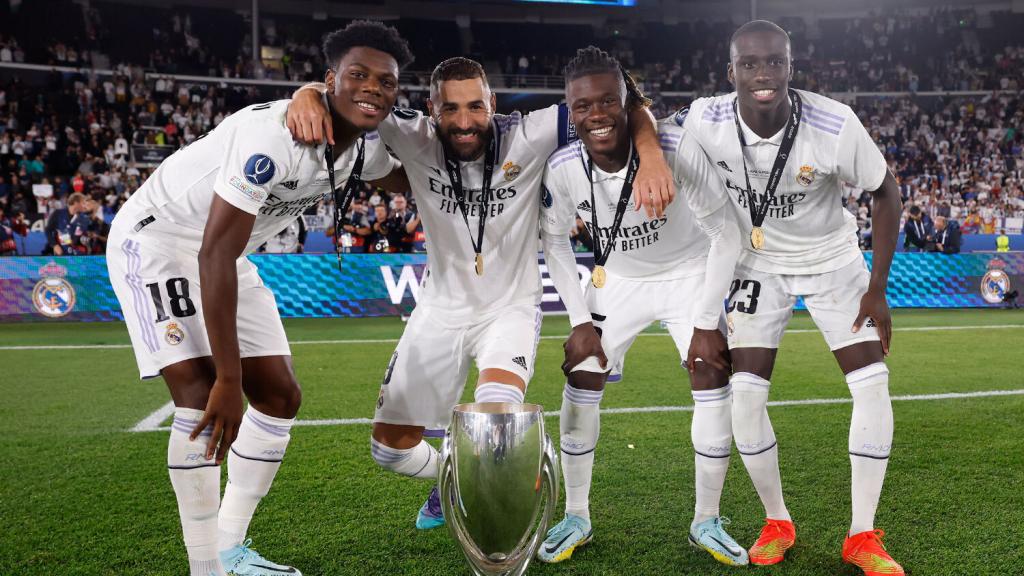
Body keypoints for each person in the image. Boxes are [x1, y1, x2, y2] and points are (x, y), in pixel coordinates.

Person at [286, 55, 676, 532]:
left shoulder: (530, 134)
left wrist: (651, 152)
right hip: (438, 310)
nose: (465, 121)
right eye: (451, 109)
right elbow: (350, 101)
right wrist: (307, 92)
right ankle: (454, 477)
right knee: (389, 450)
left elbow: (619, 107)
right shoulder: (409, 133)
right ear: (432, 109)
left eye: (476, 106)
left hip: (508, 309)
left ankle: (501, 476)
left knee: (496, 431)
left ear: (493, 102)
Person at [104, 21, 413, 576]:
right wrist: (228, 378)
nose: (372, 88)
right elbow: (212, 255)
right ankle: (206, 569)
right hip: (158, 241)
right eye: (357, 76)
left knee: (278, 394)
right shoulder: (274, 136)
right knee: (200, 395)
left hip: (227, 254)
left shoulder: (360, 154)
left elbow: (410, 178)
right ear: (329, 80)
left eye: (385, 82)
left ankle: (229, 547)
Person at [680, 21, 904, 576]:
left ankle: (862, 535)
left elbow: (885, 191)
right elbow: (648, 133)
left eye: (774, 62)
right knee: (746, 399)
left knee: (872, 386)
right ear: (730, 71)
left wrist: (876, 287)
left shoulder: (833, 123)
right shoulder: (704, 118)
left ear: (790, 68)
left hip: (832, 262)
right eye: (750, 64)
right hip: (756, 265)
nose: (763, 74)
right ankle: (777, 520)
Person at [538, 46, 745, 566]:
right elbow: (555, 242)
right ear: (569, 108)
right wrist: (580, 320)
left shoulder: (676, 149)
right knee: (582, 369)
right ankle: (577, 515)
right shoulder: (563, 167)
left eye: (609, 101)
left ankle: (707, 520)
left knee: (711, 368)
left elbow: (726, 234)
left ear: (628, 101)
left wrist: (704, 322)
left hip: (689, 273)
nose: (597, 115)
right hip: (618, 279)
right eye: (583, 106)